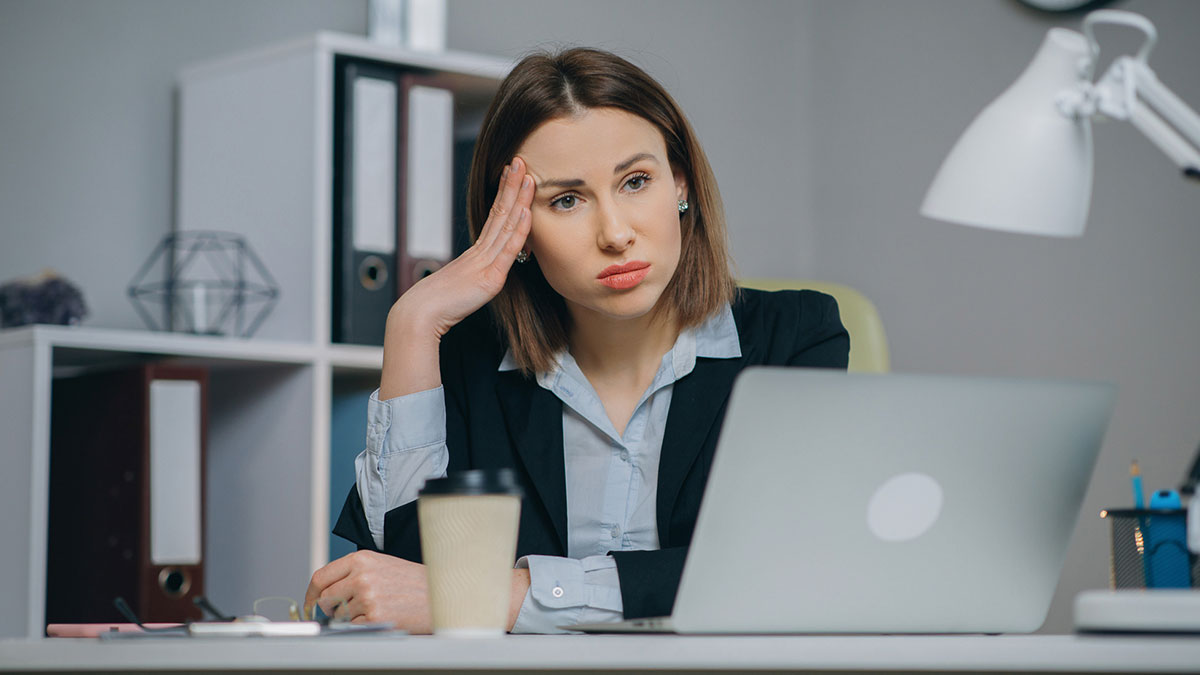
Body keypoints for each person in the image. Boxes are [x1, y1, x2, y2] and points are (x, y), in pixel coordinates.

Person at [304, 47, 849, 634]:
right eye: (566, 200)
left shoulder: (796, 338)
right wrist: (411, 324)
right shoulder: (464, 359)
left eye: (636, 181)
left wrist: (513, 595)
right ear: (518, 228)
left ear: (681, 185)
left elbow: (781, 570)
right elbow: (406, 585)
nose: (615, 234)